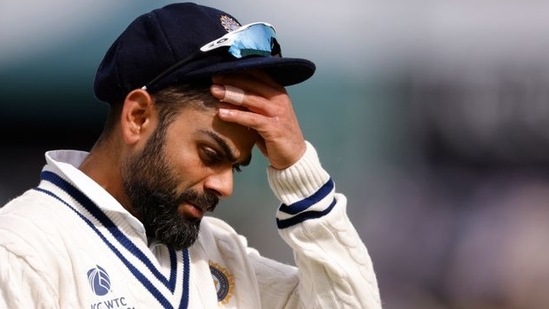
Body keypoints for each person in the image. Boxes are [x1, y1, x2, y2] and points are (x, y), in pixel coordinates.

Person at [0, 3, 381, 308]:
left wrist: (300, 170)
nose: (225, 186)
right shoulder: (22, 250)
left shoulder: (223, 253)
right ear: (137, 116)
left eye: (236, 166)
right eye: (211, 153)